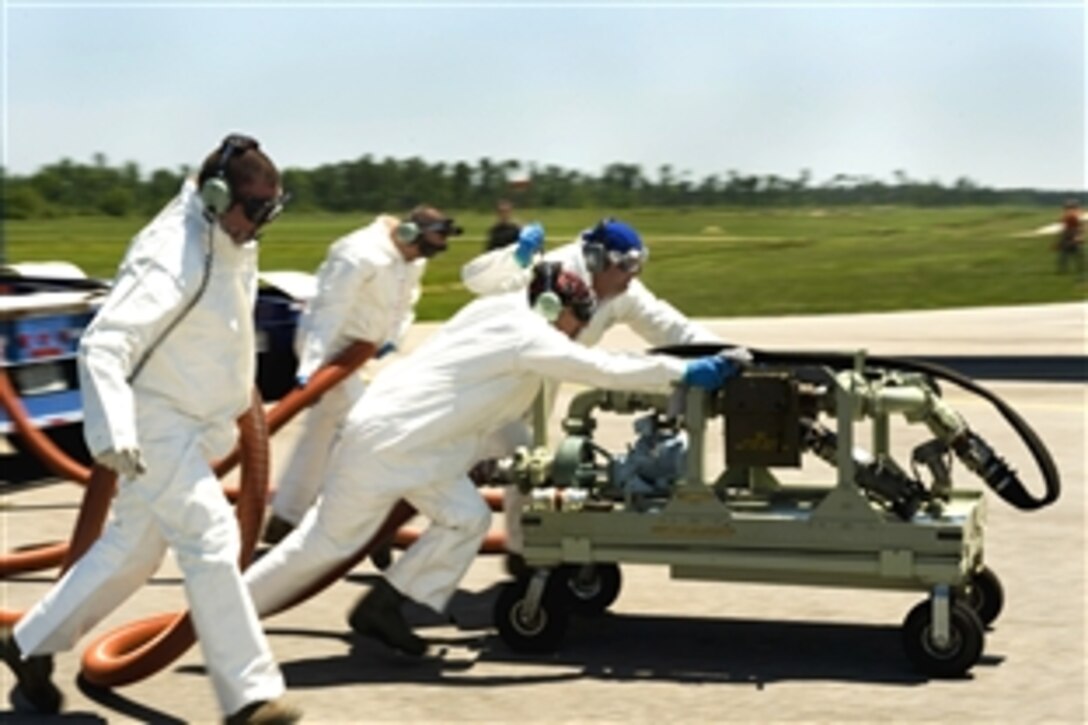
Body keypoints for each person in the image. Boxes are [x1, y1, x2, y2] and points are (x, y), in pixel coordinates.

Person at [241, 262, 741, 657]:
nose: (577, 330)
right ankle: (224, 618)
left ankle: (384, 606)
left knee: (467, 519)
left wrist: (474, 454)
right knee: (323, 545)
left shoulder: (495, 310)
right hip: (388, 445)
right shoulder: (530, 335)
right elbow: (603, 370)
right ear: (551, 305)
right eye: (576, 319)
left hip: (421, 448)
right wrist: (685, 372)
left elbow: (469, 390)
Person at [0, 134, 300, 724]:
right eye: (254, 209)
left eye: (271, 208)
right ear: (215, 196)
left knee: (131, 553)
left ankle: (28, 643)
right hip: (153, 427)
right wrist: (113, 435)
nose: (260, 223)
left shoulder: (230, 236)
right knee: (211, 538)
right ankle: (251, 697)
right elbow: (105, 342)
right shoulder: (172, 252)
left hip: (194, 423)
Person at [460, 218, 725, 570]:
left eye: (637, 267)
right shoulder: (550, 274)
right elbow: (476, 280)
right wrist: (514, 256)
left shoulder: (622, 291)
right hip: (494, 380)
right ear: (598, 260)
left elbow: (670, 327)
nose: (633, 276)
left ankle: (524, 554)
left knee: (523, 466)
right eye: (625, 266)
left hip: (541, 382)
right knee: (499, 463)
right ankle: (387, 521)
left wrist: (724, 355)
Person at [262, 205, 463, 545]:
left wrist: (392, 338)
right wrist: (311, 365)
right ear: (409, 233)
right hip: (330, 351)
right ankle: (353, 523)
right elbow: (329, 309)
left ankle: (286, 517)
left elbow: (406, 300)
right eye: (424, 247)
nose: (422, 259)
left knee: (320, 433)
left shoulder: (412, 258)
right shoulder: (357, 254)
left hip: (360, 352)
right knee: (364, 427)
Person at [1055, 199, 1084, 274]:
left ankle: (1077, 268)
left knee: (1072, 253)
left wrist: (1077, 236)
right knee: (1066, 253)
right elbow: (1065, 225)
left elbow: (1077, 226)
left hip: (1071, 234)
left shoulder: (1073, 215)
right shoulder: (1070, 215)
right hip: (1068, 234)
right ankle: (1064, 269)